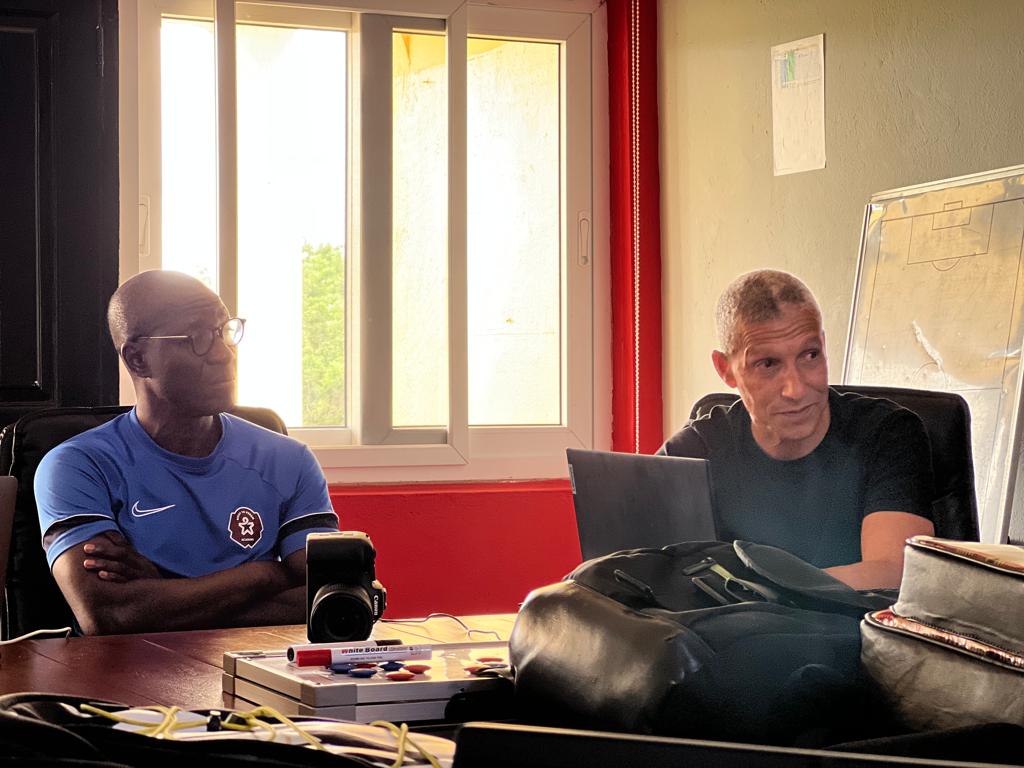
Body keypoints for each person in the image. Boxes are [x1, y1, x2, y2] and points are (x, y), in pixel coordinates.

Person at [35, 270, 339, 634]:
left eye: (223, 331)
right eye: (196, 338)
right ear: (138, 359)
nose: (224, 354)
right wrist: (264, 574)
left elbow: (336, 598)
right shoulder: (78, 466)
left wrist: (164, 591)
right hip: (131, 669)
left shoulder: (289, 459)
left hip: (258, 662)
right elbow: (110, 615)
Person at [659, 269, 934, 589]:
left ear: (824, 345)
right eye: (768, 364)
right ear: (726, 370)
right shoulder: (695, 451)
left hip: (851, 622)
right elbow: (639, 572)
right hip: (732, 622)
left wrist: (755, 591)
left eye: (810, 355)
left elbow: (894, 575)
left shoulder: (887, 434)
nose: (796, 389)